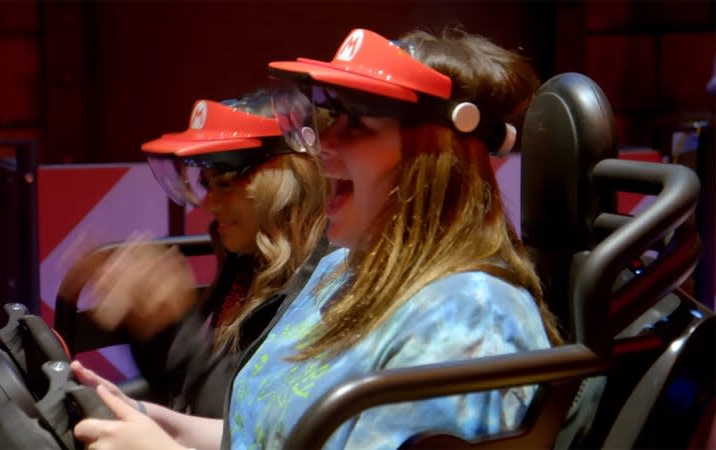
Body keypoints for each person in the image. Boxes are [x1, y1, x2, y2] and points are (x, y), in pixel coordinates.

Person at [74, 27, 563, 450]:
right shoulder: (340, 268)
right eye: (331, 121)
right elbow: (276, 433)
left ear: (433, 160)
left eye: (359, 126)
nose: (323, 146)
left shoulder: (470, 320)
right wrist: (167, 425)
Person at [72, 90, 330, 420]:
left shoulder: (325, 279)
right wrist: (152, 328)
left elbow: (241, 423)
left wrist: (177, 333)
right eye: (206, 184)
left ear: (285, 180)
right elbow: (186, 393)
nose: (208, 204)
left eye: (224, 183)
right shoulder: (246, 258)